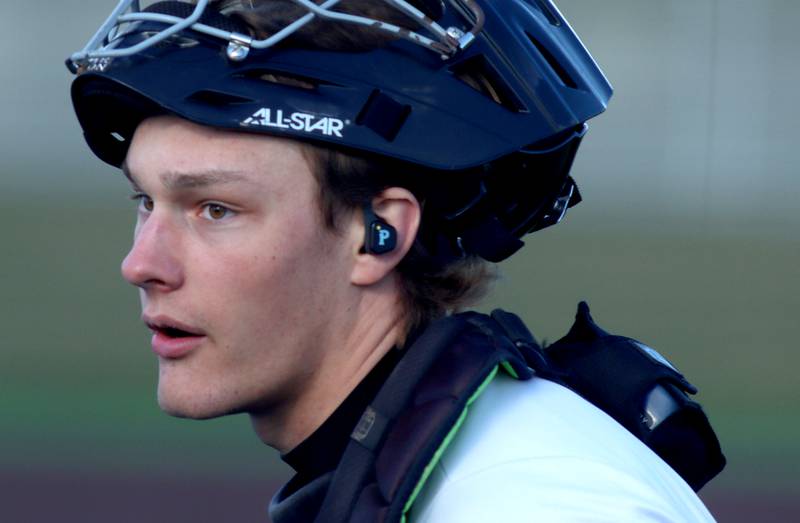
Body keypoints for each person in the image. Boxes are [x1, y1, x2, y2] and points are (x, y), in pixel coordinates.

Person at [66, 1, 720, 521]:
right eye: (145, 201)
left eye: (215, 209)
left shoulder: (535, 500)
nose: (142, 263)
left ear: (379, 233)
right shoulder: (419, 470)